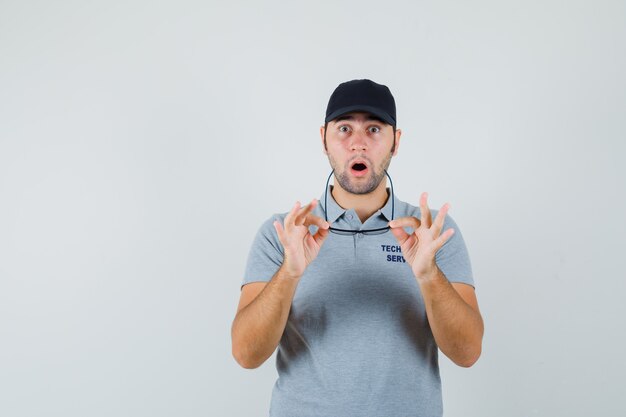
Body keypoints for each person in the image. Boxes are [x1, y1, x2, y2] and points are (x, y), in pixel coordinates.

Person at [231, 79, 484, 417]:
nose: (358, 144)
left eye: (375, 129)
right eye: (345, 128)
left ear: (396, 142)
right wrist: (290, 273)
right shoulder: (284, 233)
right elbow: (246, 355)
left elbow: (467, 353)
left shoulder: (432, 232)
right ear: (324, 139)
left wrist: (428, 275)